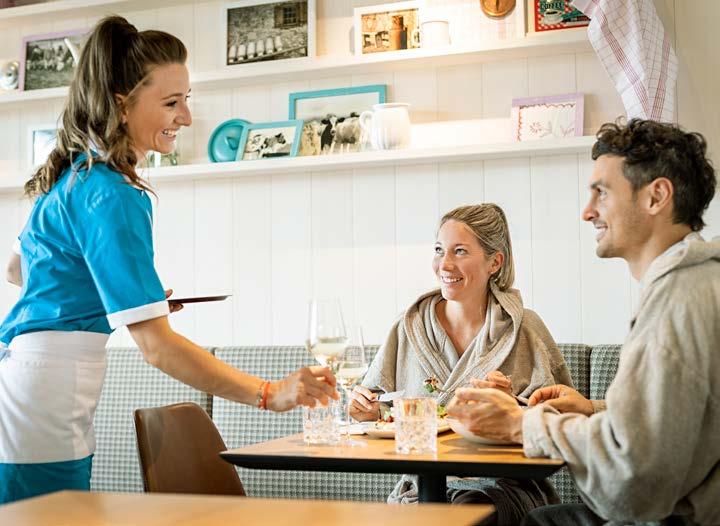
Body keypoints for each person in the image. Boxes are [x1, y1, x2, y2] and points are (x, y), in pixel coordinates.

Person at [0, 16, 337, 505]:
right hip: (48, 391)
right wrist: (269, 392)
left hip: (29, 377)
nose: (187, 117)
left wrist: (123, 294)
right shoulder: (114, 193)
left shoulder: (74, 174)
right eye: (171, 102)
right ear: (122, 104)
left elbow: (18, 270)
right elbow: (157, 348)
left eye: (186, 100)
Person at [446, 119, 719, 526]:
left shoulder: (678, 303)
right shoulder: (699, 282)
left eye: (602, 193)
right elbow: (675, 423)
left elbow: (633, 484)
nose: (587, 211)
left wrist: (520, 423)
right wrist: (592, 409)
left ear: (656, 196)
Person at [350, 203, 573, 524]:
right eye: (439, 250)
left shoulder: (524, 328)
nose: (445, 264)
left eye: (460, 251)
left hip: (504, 489)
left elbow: (563, 419)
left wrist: (512, 407)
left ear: (495, 262)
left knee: (465, 514)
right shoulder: (409, 326)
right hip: (421, 489)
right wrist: (367, 410)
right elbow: (378, 408)